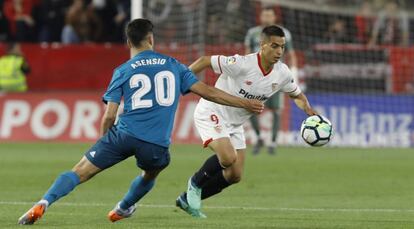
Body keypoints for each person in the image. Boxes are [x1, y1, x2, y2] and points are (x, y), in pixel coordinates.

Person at [17, 18, 264, 225]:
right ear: (151, 39)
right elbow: (207, 91)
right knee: (150, 174)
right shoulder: (173, 65)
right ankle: (124, 207)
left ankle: (44, 202)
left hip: (122, 136)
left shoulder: (123, 70)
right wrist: (244, 103)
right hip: (155, 144)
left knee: (79, 171)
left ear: (128, 42)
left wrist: (105, 139)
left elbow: (110, 115)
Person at [176, 25, 317, 218]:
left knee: (234, 175)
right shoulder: (242, 64)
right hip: (212, 111)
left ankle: (186, 198)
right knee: (227, 157)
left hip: (234, 124)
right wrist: (181, 82)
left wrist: (309, 111)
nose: (279, 52)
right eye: (274, 46)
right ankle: (195, 183)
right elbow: (204, 61)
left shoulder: (282, 73)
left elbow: (297, 95)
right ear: (262, 45)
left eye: (282, 47)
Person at [244, 7, 298, 155]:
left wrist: (293, 71)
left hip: (275, 77)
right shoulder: (253, 33)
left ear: (274, 18)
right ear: (260, 17)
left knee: (275, 110)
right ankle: (259, 137)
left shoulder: (284, 34)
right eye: (264, 15)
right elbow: (247, 52)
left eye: (269, 15)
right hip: (256, 77)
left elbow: (291, 53)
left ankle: (273, 143)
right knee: (251, 108)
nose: (267, 18)